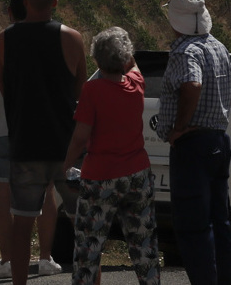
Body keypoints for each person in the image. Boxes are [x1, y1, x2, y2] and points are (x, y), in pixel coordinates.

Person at [0, 0, 87, 285]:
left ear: (24, 1)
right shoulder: (72, 38)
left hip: (26, 144)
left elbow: (4, 87)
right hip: (67, 147)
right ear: (55, 2)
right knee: (84, 224)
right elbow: (81, 92)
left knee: (22, 222)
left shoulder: (5, 40)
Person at [0, 0, 63, 280]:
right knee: (47, 190)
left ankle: (7, 261)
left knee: (3, 192)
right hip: (42, 129)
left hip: (4, 129)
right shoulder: (53, 39)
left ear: (10, 13)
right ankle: (46, 258)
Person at [155, 0, 231, 285]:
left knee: (193, 227)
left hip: (192, 146)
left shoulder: (184, 50)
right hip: (218, 140)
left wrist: (180, 126)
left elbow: (191, 85)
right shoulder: (217, 46)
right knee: (220, 223)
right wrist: (218, 114)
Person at [62, 27, 159, 285]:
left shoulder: (92, 92)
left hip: (100, 177)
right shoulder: (137, 85)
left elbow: (81, 136)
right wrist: (124, 43)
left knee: (88, 249)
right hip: (138, 175)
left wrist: (66, 165)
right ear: (125, 57)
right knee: (143, 246)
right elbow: (134, 65)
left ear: (96, 59)